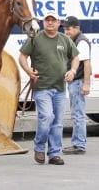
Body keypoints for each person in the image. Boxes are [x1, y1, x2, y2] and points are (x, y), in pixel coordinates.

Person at [19, 11, 79, 165]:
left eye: (53, 20)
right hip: (42, 87)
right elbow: (22, 56)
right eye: (47, 20)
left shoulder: (64, 39)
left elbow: (75, 57)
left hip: (59, 88)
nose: (50, 23)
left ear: (59, 23)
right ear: (43, 22)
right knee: (46, 117)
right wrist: (28, 71)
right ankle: (39, 147)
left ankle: (54, 154)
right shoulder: (35, 39)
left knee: (58, 123)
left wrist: (72, 71)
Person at [62, 16, 91, 155]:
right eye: (65, 29)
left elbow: (86, 64)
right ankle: (77, 143)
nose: (66, 31)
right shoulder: (74, 40)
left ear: (77, 28)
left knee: (78, 114)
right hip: (75, 82)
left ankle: (79, 145)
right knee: (76, 113)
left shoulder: (81, 42)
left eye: (68, 29)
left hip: (78, 82)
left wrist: (86, 84)